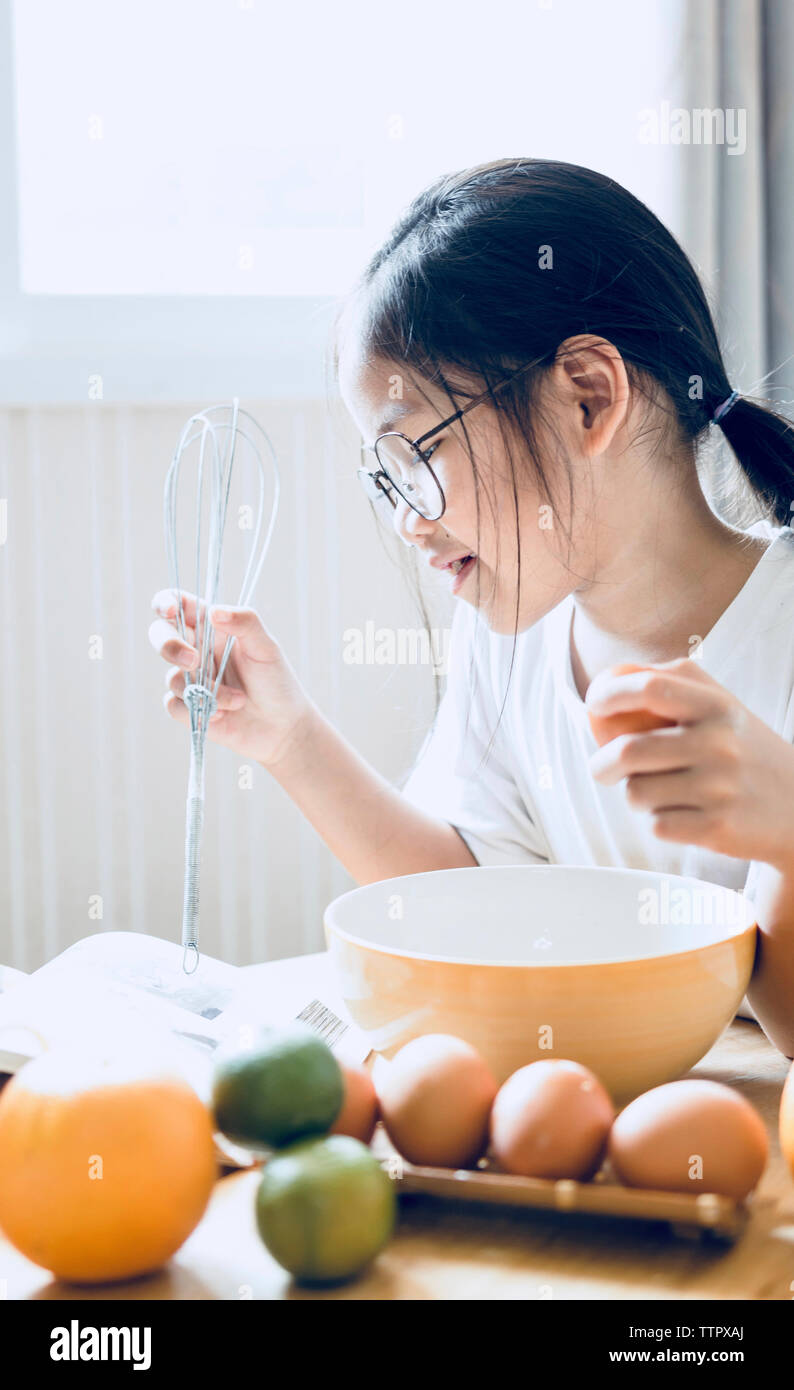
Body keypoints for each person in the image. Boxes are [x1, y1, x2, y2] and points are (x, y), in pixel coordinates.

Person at [149, 157, 794, 1051]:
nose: (408, 522)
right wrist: (291, 740)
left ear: (588, 397)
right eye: (387, 480)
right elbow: (458, 896)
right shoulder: (518, 632)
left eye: (417, 458)